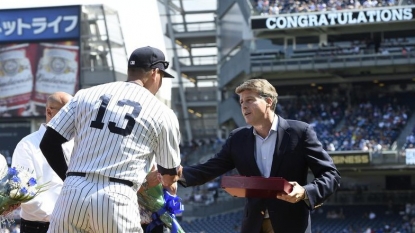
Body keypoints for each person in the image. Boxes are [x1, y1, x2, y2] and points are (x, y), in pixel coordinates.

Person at [39, 46, 182, 233]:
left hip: (72, 194)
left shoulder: (86, 95)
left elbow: (48, 143)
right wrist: (172, 176)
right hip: (117, 197)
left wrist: (69, 178)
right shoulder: (162, 112)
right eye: (162, 76)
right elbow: (168, 173)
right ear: (155, 73)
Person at [177, 79, 341, 233]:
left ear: (269, 101)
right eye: (241, 102)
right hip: (254, 226)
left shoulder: (299, 132)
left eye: (249, 100)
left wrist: (304, 192)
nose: (244, 106)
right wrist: (176, 174)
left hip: (292, 225)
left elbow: (330, 175)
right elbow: (211, 167)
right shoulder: (237, 138)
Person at [11, 92, 73, 233]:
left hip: (72, 224)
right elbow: (24, 193)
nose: (73, 118)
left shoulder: (79, 143)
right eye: (67, 113)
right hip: (38, 227)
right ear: (49, 112)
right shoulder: (27, 145)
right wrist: (60, 216)